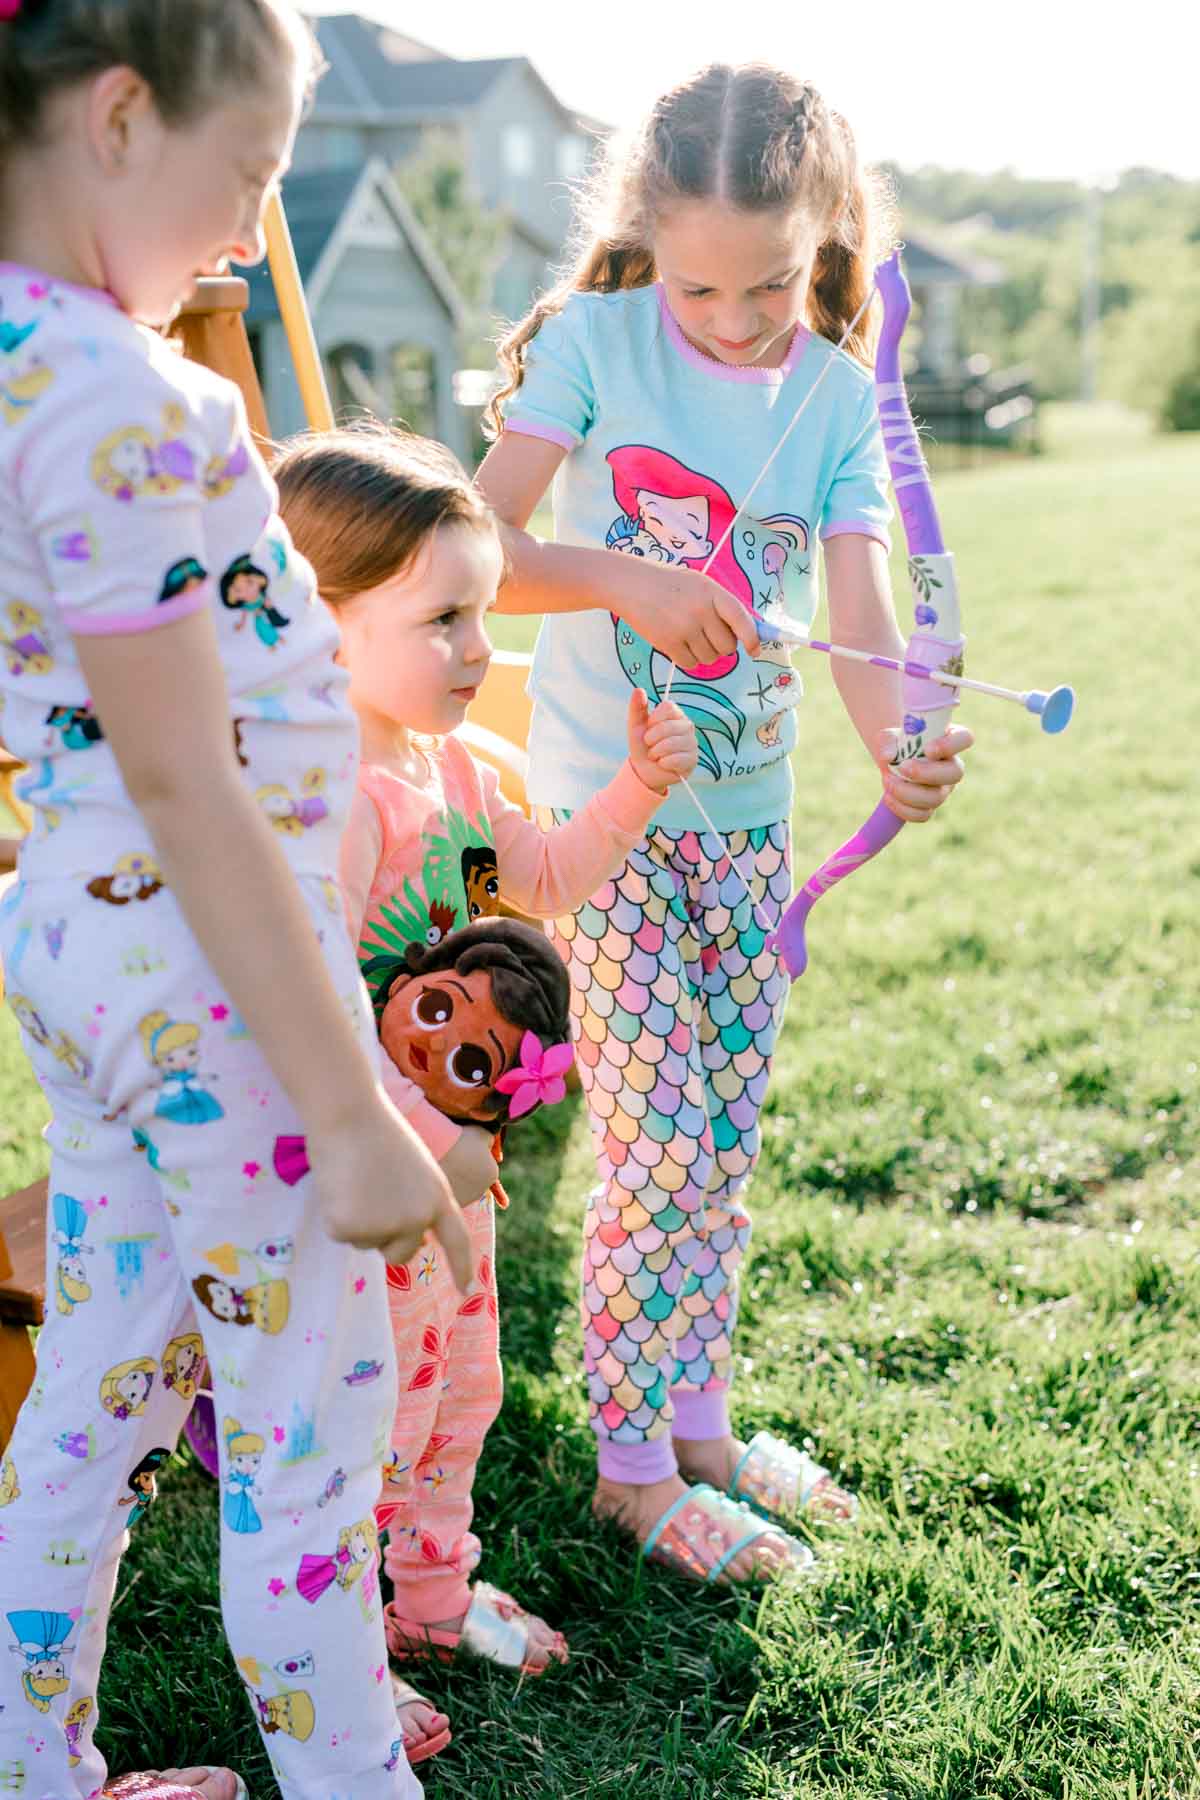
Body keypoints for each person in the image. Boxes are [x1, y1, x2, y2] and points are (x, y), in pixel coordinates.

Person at [0, 4, 471, 1796]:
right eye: (252, 177)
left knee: (97, 1388)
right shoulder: (121, 391)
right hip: (205, 960)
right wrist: (350, 1114)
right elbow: (193, 780)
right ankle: (357, 1778)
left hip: (74, 933)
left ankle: (34, 1769)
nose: (240, 235)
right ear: (122, 116)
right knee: (304, 1430)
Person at [474, 62, 975, 1585]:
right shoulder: (594, 342)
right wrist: (626, 578)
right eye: (704, 284)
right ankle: (633, 1472)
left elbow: (866, 613)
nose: (739, 315)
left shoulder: (830, 388)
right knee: (658, 1140)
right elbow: (478, 548)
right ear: (644, 236)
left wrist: (902, 751)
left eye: (771, 282)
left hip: (751, 830)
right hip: (607, 814)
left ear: (823, 240)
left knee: (725, 1137)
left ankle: (699, 1425)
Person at [273, 423, 698, 1764]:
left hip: (455, 1186)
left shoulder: (458, 773)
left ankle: (436, 1600)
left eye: (483, 614)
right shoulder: (329, 803)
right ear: (318, 619)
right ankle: (342, 1663)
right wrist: (421, 1150)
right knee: (355, 1440)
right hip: (355, 1204)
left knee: (461, 1401)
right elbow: (310, 1016)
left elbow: (550, 881)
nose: (477, 650)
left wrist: (634, 785)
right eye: (442, 619)